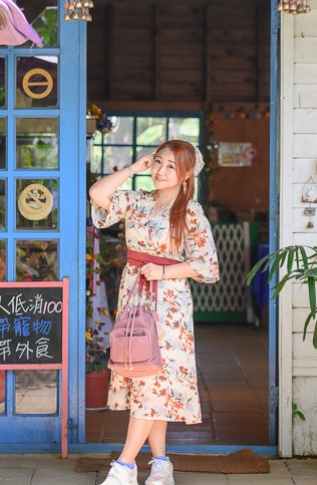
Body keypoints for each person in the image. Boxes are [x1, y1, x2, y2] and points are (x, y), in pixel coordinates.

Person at [88, 140, 219, 485]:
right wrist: (132, 169)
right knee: (147, 378)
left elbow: (207, 265)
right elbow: (98, 193)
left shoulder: (190, 211)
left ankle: (125, 466)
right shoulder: (137, 200)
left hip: (169, 304)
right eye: (158, 162)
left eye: (171, 166)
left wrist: (163, 272)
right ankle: (160, 463)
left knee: (151, 383)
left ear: (187, 173)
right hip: (134, 298)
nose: (161, 171)